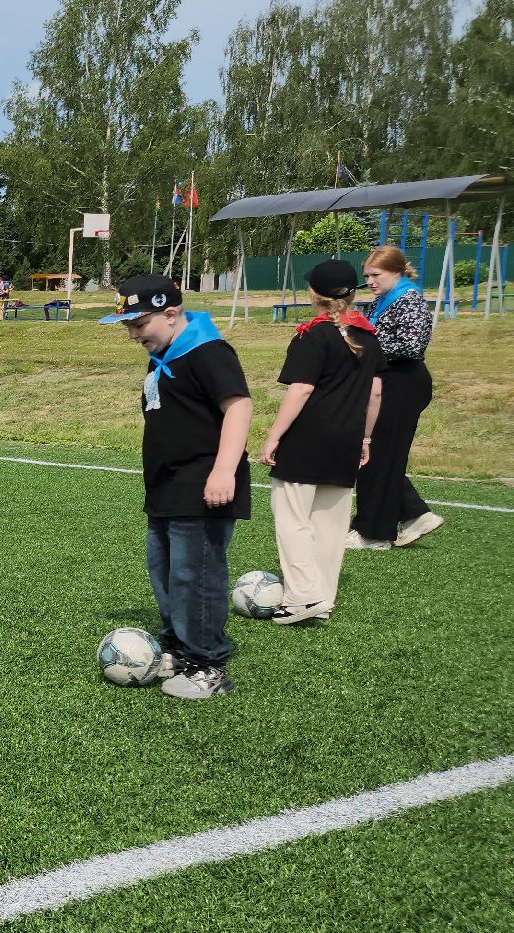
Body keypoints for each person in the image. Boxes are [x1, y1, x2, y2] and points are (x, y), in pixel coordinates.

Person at [99, 274, 252, 700]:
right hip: (166, 485)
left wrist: (224, 470)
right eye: (128, 326)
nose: (133, 335)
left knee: (195, 574)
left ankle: (208, 664)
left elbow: (239, 406)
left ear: (171, 313)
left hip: (203, 484)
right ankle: (178, 647)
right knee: (164, 570)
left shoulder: (208, 352)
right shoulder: (164, 353)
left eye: (139, 324)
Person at [258, 260, 382, 625]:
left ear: (314, 294)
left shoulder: (311, 335)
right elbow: (375, 394)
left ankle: (301, 597)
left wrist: (273, 435)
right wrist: (366, 437)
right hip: (346, 440)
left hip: (309, 438)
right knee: (330, 526)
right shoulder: (369, 337)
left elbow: (302, 389)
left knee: (293, 519)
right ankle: (322, 599)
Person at [350, 246, 443, 551]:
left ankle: (374, 534)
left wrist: (364, 348)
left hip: (403, 383)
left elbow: (412, 345)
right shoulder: (384, 299)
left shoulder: (410, 299)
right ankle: (415, 514)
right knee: (376, 454)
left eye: (376, 275)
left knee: (379, 454)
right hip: (389, 382)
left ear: (397, 271)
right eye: (367, 276)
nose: (370, 281)